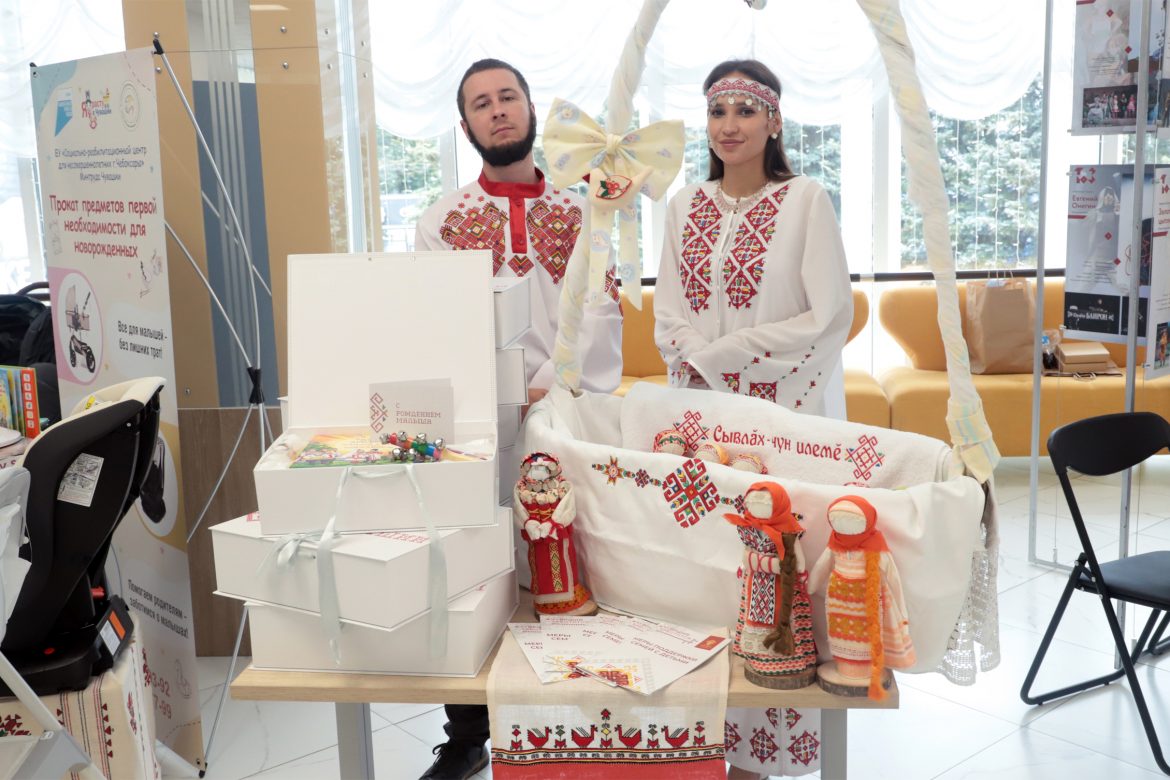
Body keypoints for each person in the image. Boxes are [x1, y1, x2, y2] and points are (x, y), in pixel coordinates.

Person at [413, 58, 623, 780]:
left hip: (567, 416)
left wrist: (549, 387)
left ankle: (578, 726)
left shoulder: (584, 210)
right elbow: (439, 326)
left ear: (532, 109)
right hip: (480, 424)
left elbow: (601, 312)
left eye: (508, 97)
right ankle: (468, 735)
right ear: (464, 125)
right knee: (475, 569)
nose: (497, 110)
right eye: (481, 103)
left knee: (574, 561)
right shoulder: (441, 222)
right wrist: (507, 390)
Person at [654, 58, 853, 779]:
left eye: (745, 110)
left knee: (773, 569)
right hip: (700, 419)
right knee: (707, 569)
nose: (729, 126)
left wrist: (729, 354)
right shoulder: (684, 204)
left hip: (780, 421)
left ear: (774, 121)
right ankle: (700, 742)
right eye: (717, 111)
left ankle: (760, 752)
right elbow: (666, 309)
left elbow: (830, 315)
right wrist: (696, 358)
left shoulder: (805, 200)